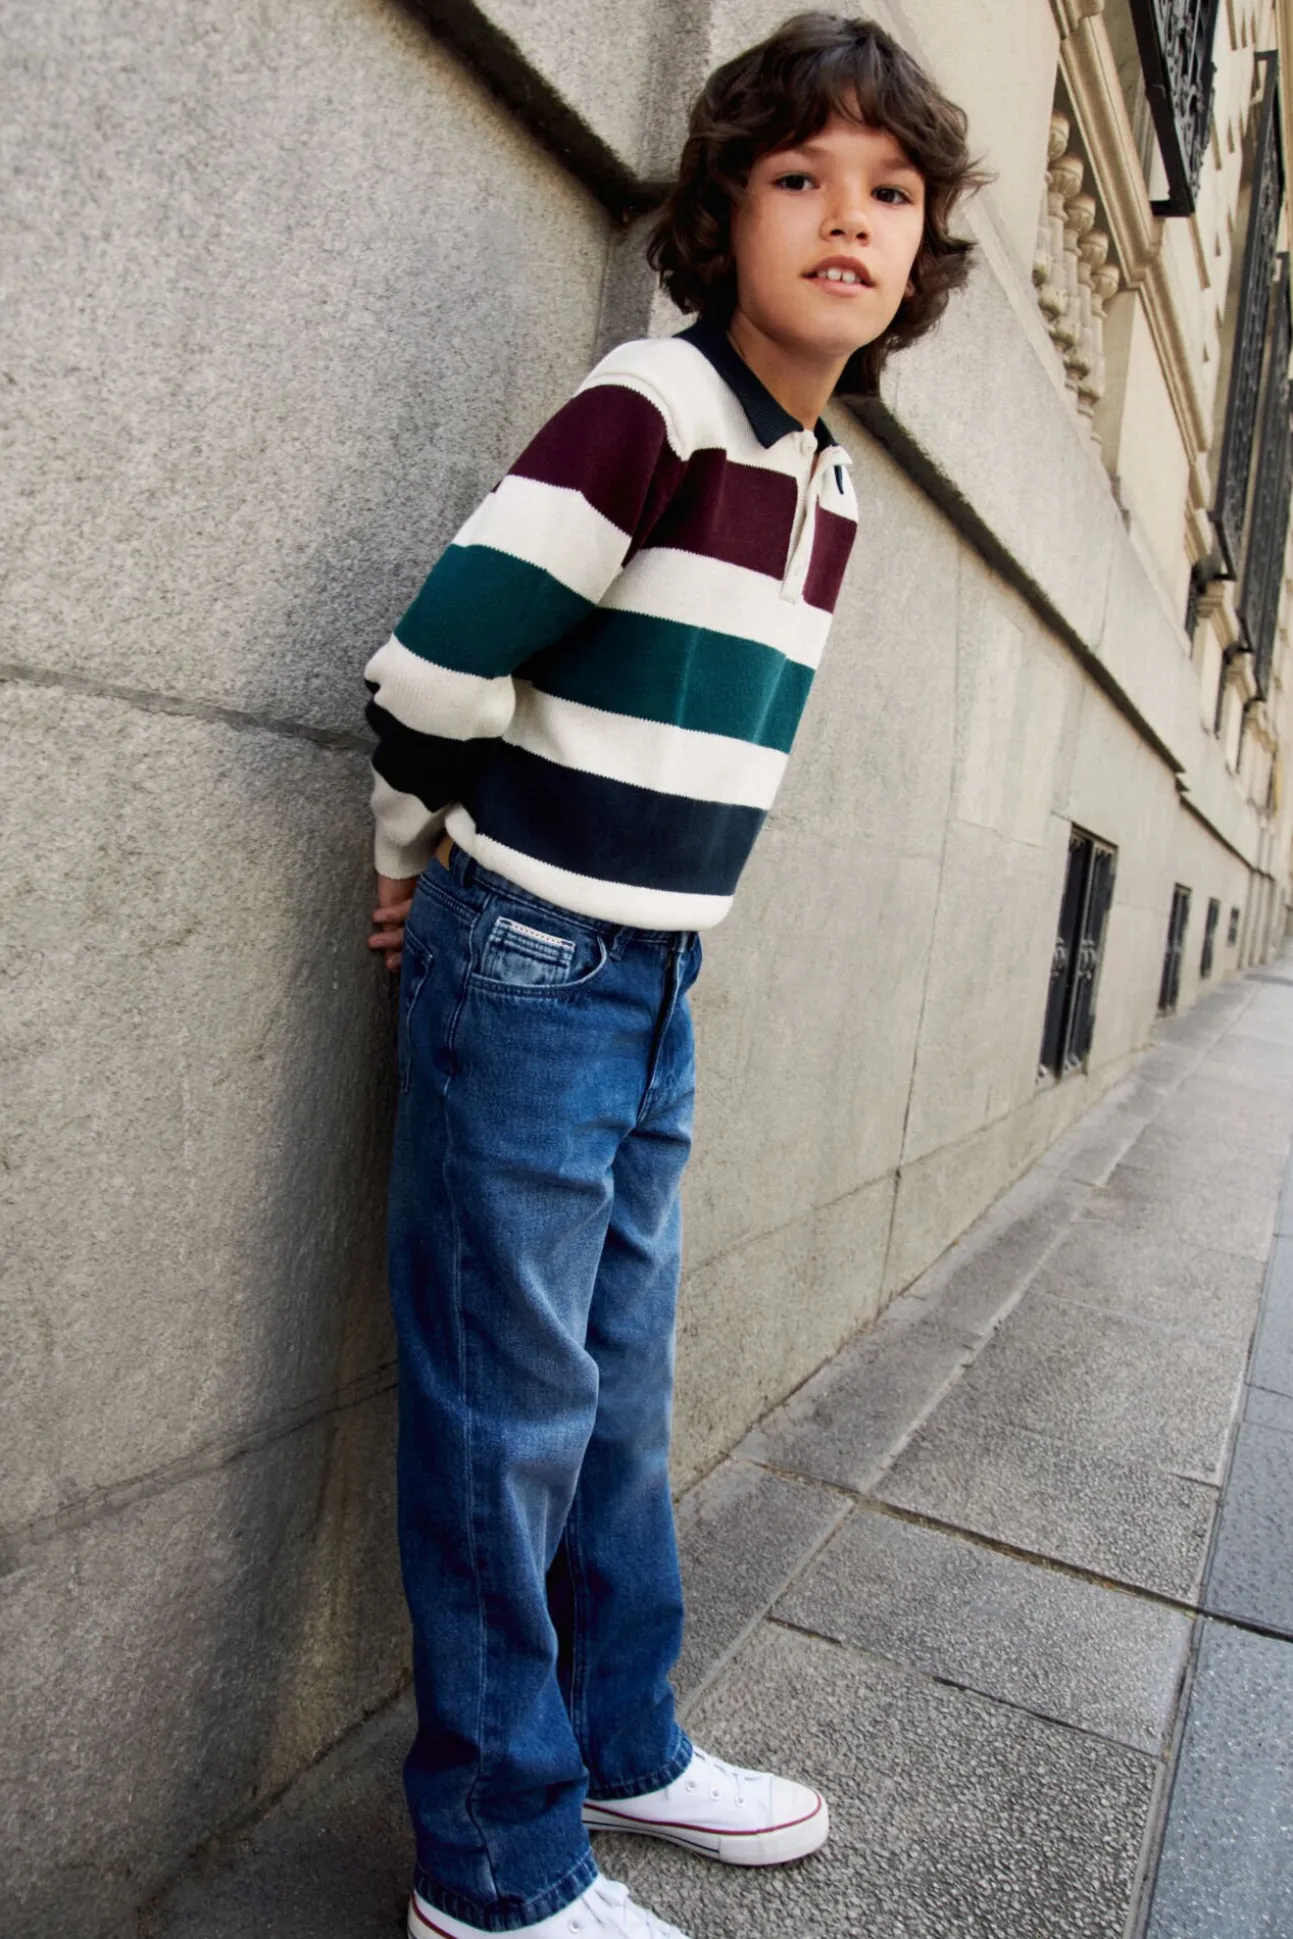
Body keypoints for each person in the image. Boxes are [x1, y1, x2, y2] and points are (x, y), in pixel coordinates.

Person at [362, 13, 987, 1936]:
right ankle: (492, 1862)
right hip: (530, 959)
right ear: (725, 214)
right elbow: (431, 665)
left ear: (923, 247)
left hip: (654, 985)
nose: (849, 219)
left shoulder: (832, 486)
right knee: (508, 1413)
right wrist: (413, 857)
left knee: (617, 1392)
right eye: (801, 176)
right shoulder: (657, 404)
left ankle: (622, 1737)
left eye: (891, 191)